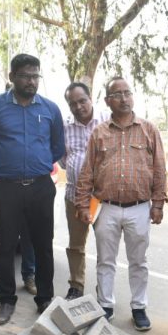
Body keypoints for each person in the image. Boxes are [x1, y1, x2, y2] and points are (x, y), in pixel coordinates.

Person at [0, 53, 65, 324]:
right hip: (6, 188)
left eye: (35, 75)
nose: (31, 81)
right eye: (25, 75)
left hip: (41, 186)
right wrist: (0, 165)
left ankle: (45, 299)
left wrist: (37, 164)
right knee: (4, 246)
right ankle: (6, 301)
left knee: (43, 245)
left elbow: (58, 147)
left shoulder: (50, 109)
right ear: (11, 76)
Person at [75, 77, 166, 331]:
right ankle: (105, 306)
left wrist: (157, 204)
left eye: (128, 93)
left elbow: (159, 169)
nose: (124, 98)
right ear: (107, 101)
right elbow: (87, 171)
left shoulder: (149, 129)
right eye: (118, 94)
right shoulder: (99, 132)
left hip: (139, 207)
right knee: (105, 260)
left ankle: (139, 307)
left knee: (139, 261)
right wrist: (83, 205)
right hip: (107, 208)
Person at [61, 82, 110, 301]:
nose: (79, 106)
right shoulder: (66, 127)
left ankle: (104, 290)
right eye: (73, 103)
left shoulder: (107, 122)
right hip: (74, 196)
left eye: (82, 101)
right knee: (76, 245)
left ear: (91, 99)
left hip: (101, 197)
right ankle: (76, 286)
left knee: (105, 245)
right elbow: (63, 160)